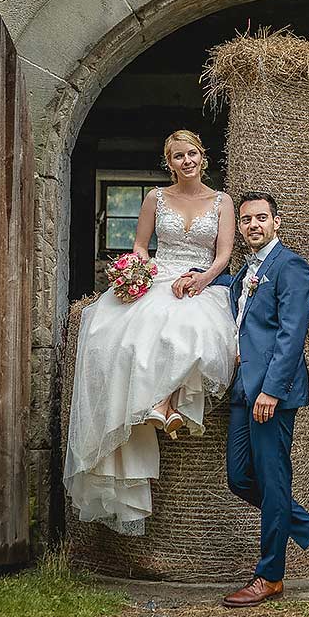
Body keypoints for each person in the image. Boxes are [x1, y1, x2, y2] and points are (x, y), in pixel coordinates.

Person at [174, 192, 309, 607]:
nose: (253, 225)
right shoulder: (245, 272)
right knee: (239, 478)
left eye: (261, 218)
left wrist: (271, 389)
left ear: (276, 223)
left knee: (273, 482)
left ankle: (270, 576)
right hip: (242, 389)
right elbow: (231, 292)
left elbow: (291, 335)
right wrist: (196, 277)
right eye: (247, 219)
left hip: (271, 392)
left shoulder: (291, 267)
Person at [62, 130, 237, 535]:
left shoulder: (222, 201)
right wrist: (134, 269)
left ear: (202, 156)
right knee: (118, 336)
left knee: (194, 329)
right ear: (169, 162)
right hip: (160, 275)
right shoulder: (155, 198)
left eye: (192, 153)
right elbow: (142, 246)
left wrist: (201, 279)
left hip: (201, 279)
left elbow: (224, 254)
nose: (186, 160)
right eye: (178, 156)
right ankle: (155, 406)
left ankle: (166, 400)